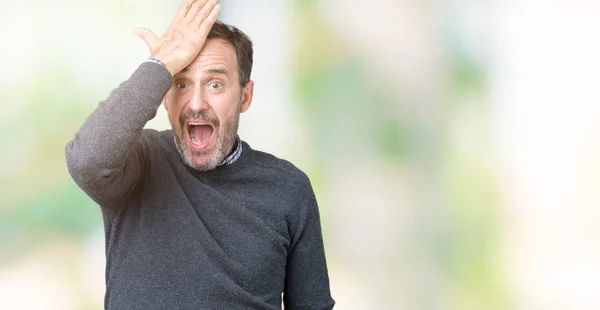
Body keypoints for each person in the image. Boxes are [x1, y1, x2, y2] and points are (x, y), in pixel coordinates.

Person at [65, 0, 335, 309]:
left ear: (245, 97)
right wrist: (159, 66)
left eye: (215, 84)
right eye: (181, 83)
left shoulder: (288, 189)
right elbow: (87, 161)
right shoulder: (138, 162)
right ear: (164, 96)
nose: (196, 103)